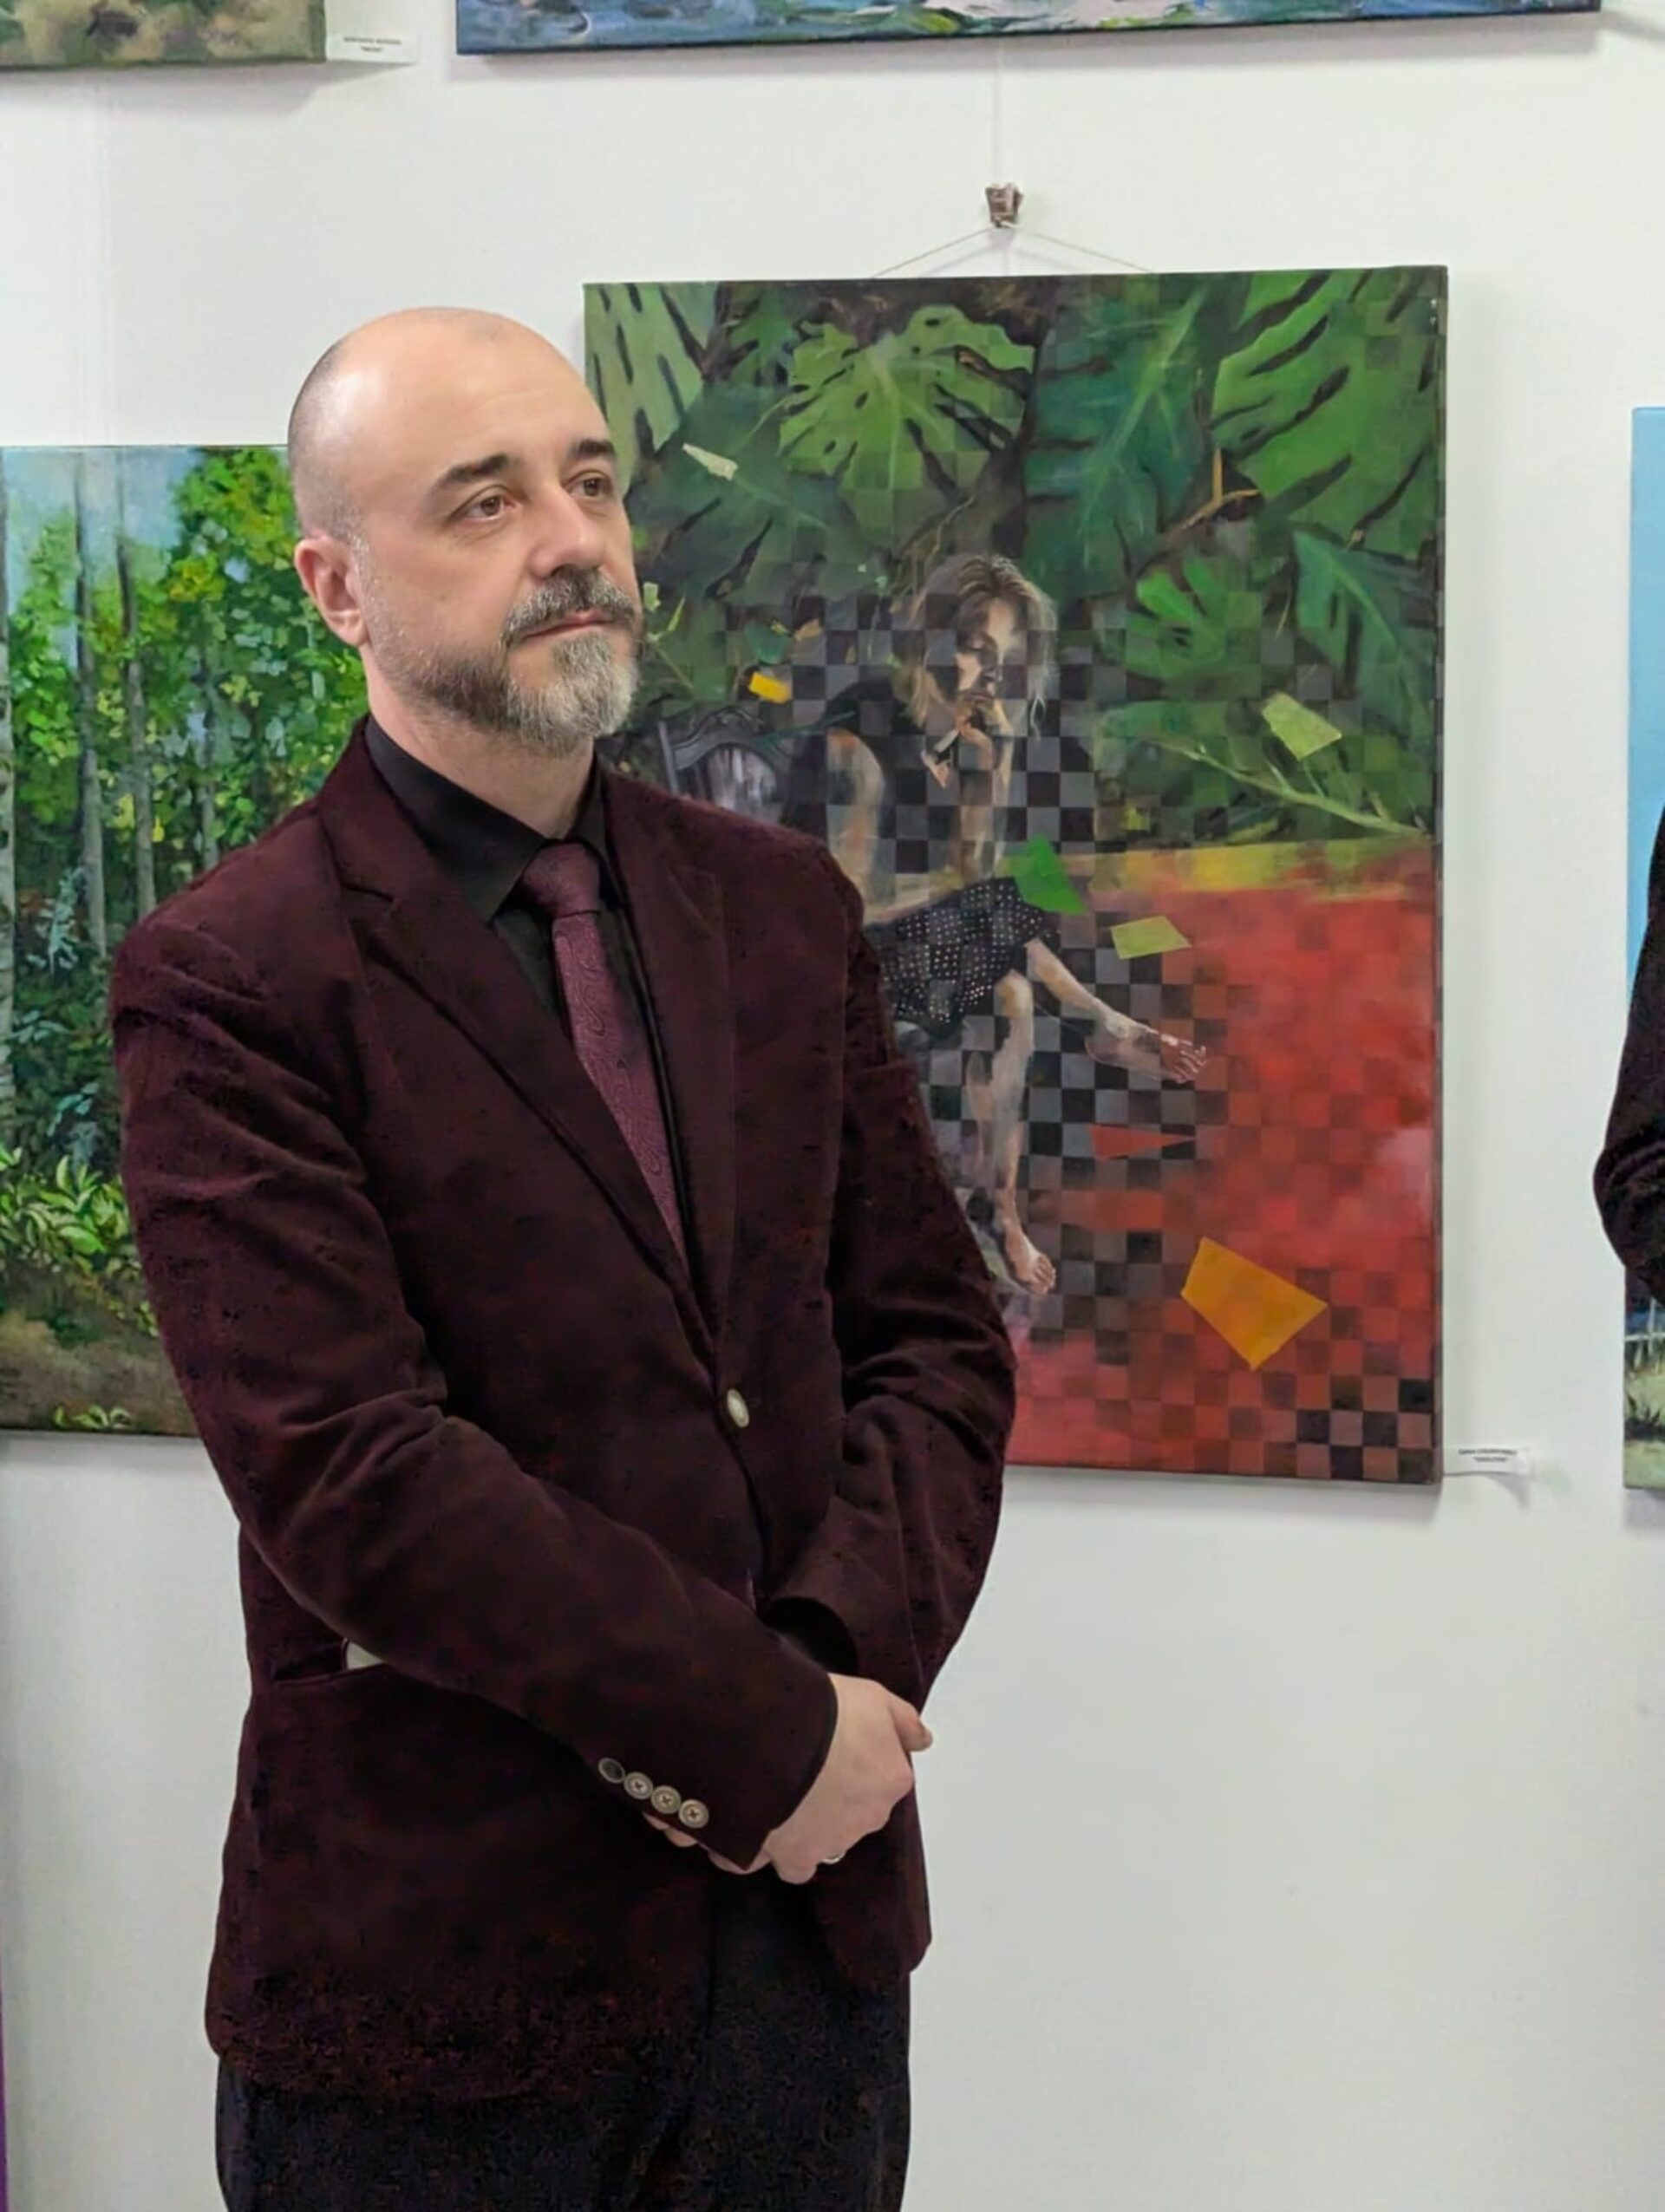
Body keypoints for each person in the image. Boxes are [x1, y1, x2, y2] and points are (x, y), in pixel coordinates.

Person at [108, 308, 1016, 2212]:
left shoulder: (777, 910)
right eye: (486, 501)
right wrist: (759, 1734)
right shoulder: (234, 976)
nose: (574, 539)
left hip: (804, 1979)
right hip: (437, 2000)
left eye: (590, 482)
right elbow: (351, 1473)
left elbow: (932, 1343)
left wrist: (832, 1678)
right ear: (337, 588)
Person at [781, 552, 1206, 1297]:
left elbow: (971, 866)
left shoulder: (960, 745)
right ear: (931, 635)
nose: (989, 677)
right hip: (830, 962)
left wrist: (993, 769)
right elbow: (843, 911)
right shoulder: (858, 746)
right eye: (976, 648)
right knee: (1004, 902)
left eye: (1005, 662)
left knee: (1012, 994)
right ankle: (1101, 1022)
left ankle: (998, 1206)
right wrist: (957, 886)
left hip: (918, 947)